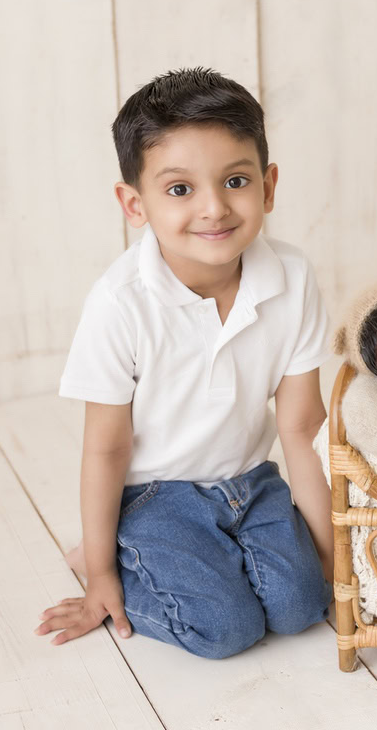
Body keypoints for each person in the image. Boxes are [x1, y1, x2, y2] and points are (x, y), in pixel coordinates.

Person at [34, 67, 335, 659]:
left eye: (236, 181)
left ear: (268, 187)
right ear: (134, 203)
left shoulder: (293, 278)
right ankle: (115, 552)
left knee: (302, 605)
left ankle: (211, 558)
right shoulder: (120, 302)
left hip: (251, 483)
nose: (214, 208)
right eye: (179, 190)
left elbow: (302, 427)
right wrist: (101, 577)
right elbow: (106, 449)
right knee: (224, 630)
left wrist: (331, 559)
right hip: (155, 497)